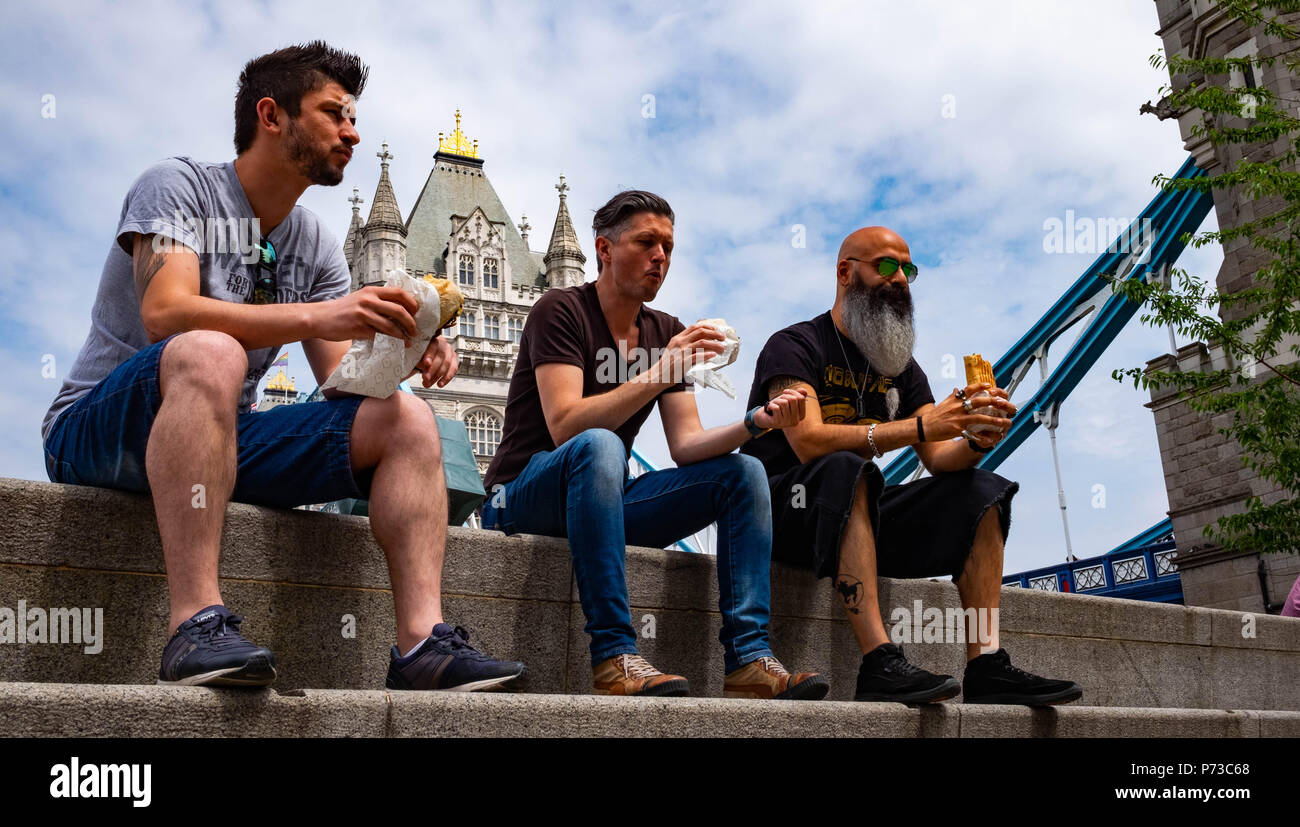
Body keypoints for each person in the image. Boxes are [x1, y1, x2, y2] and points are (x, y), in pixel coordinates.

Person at [40, 41, 525, 692]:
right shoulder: (177, 186)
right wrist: (316, 315)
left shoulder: (315, 244)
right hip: (100, 431)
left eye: (354, 116)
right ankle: (195, 624)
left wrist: (410, 350)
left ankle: (421, 645)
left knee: (405, 419)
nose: (352, 130)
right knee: (213, 350)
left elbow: (344, 384)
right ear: (272, 115)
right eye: (334, 113)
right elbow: (167, 313)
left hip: (222, 441)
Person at [480, 190, 825, 700]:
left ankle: (749, 660)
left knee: (744, 473)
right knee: (600, 446)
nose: (660, 257)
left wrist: (755, 423)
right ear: (603, 249)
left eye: (667, 246)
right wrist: (662, 368)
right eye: (646, 242)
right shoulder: (560, 309)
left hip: (604, 498)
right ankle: (615, 655)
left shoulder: (666, 330)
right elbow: (565, 427)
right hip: (519, 498)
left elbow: (686, 445)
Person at [741, 226, 1083, 706]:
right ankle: (879, 662)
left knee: (980, 490)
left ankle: (986, 664)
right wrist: (921, 428)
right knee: (843, 467)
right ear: (845, 272)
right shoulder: (794, 345)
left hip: (858, 517)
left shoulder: (898, 366)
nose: (900, 278)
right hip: (785, 515)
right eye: (885, 266)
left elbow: (942, 458)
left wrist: (976, 437)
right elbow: (810, 444)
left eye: (908, 269)